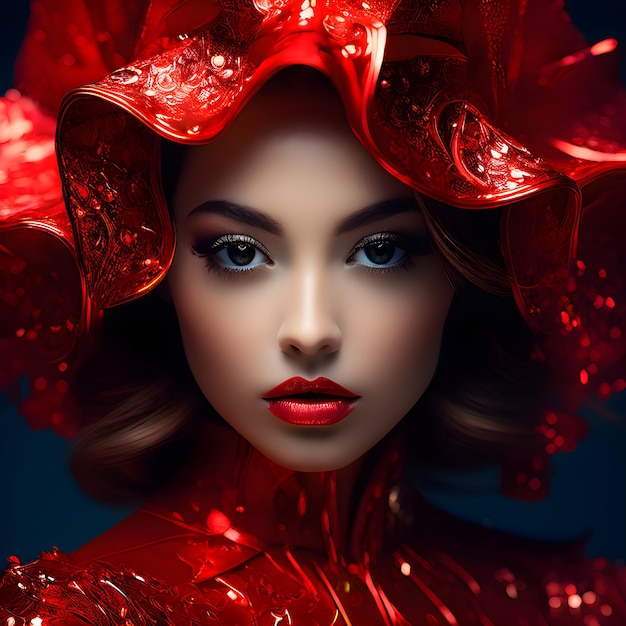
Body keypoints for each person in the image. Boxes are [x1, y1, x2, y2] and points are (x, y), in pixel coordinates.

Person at [0, 0, 625, 623]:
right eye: (240, 253)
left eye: (380, 252)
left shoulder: (574, 608)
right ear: (155, 265)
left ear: (461, 270)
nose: (309, 332)